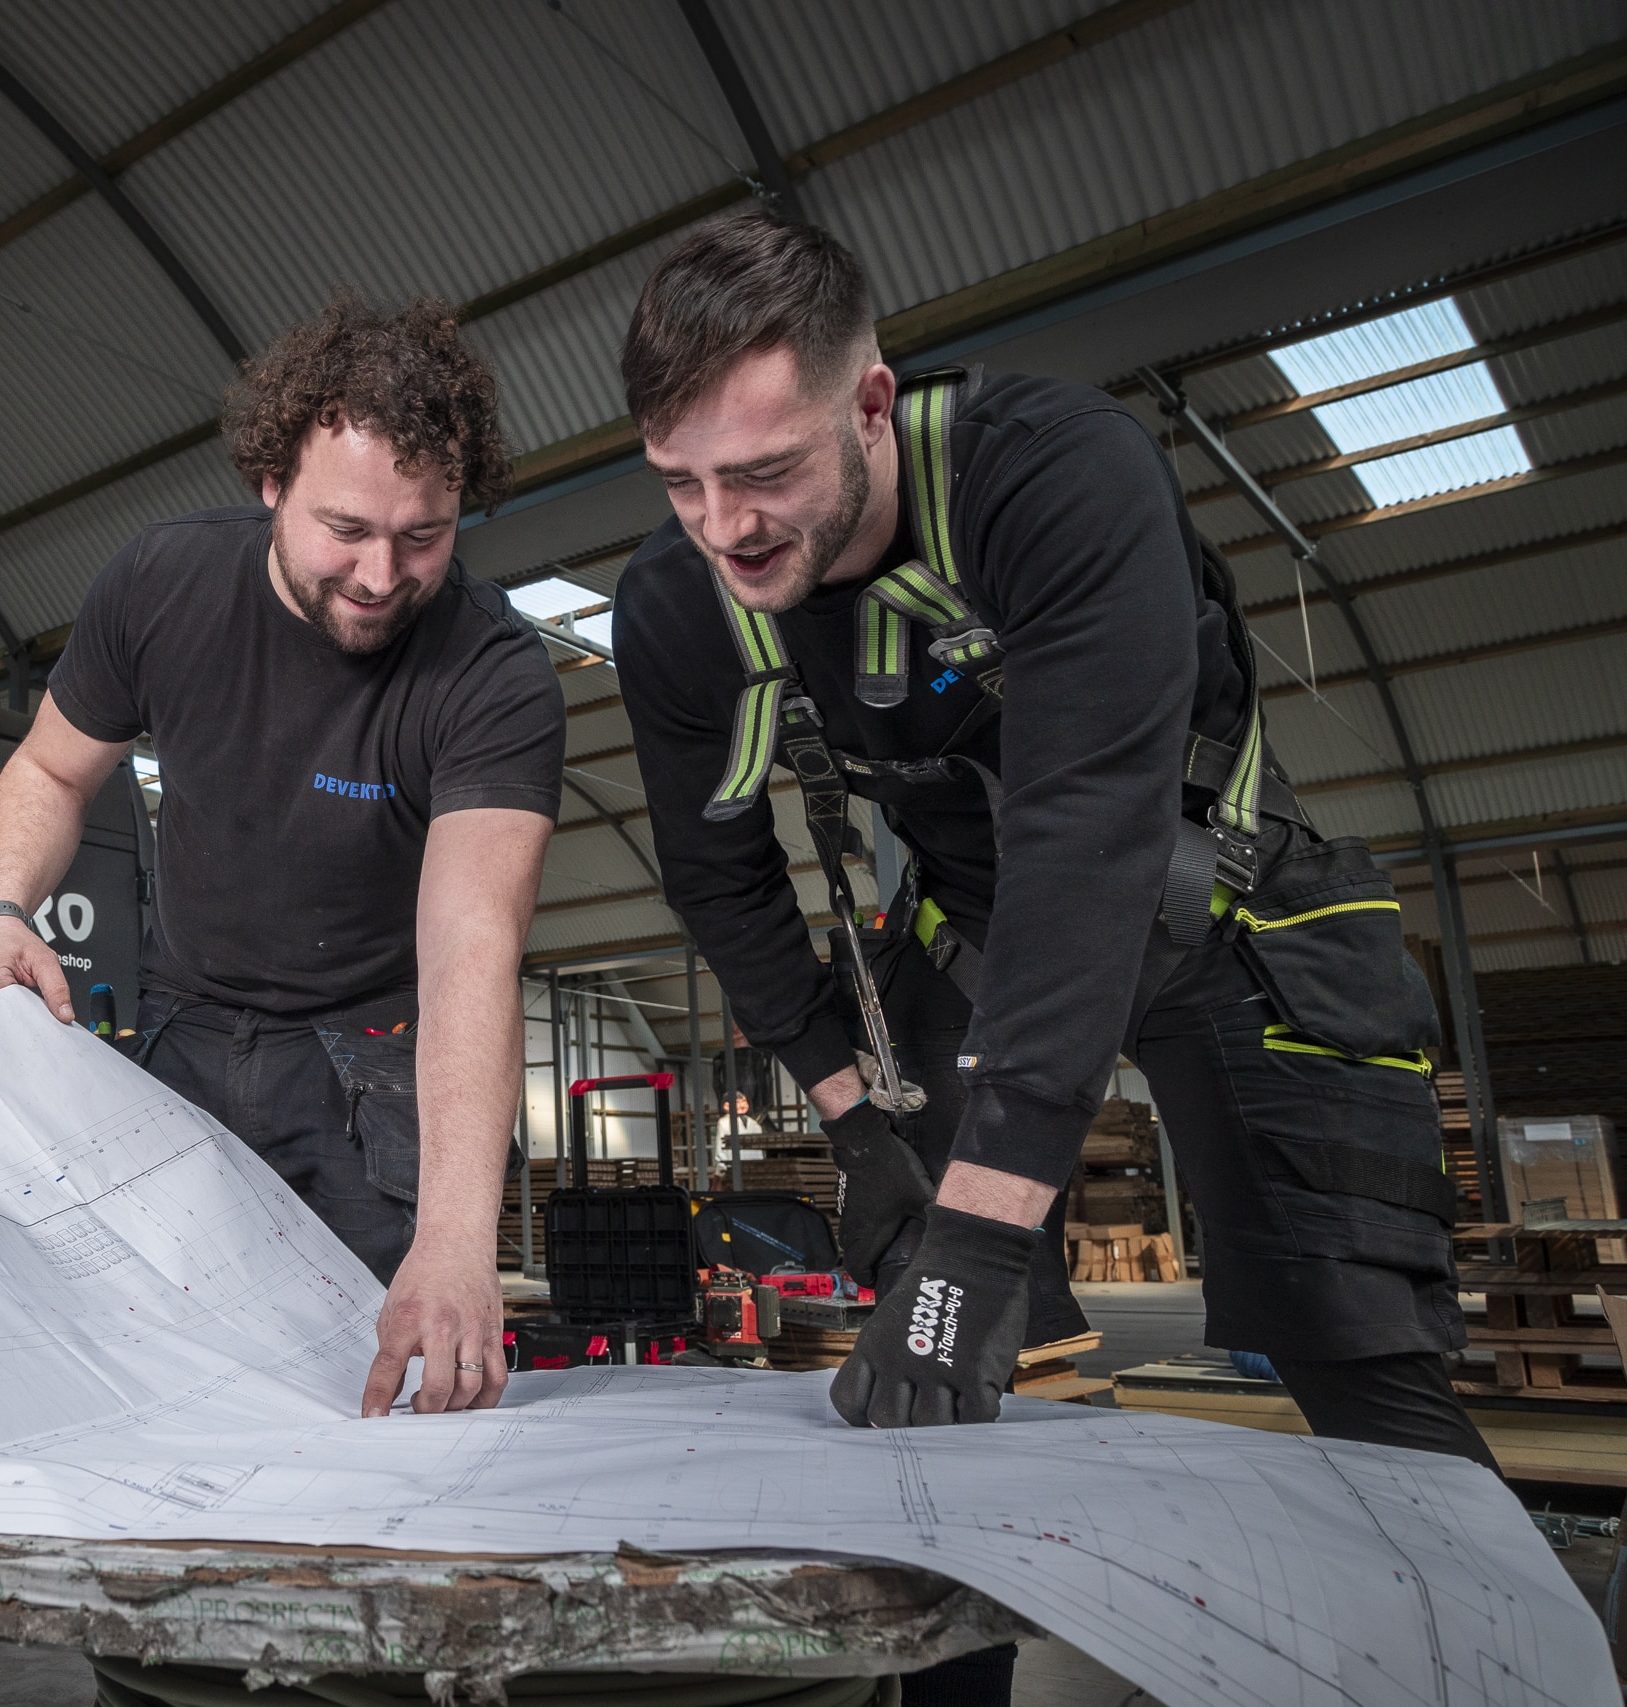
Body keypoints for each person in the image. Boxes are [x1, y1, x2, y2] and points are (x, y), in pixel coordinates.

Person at [610, 214, 1488, 1463]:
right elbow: (718, 880)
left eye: (762, 471)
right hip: (963, 939)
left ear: (869, 402)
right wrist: (861, 1131)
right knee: (936, 1366)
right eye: (680, 482)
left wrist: (983, 1236)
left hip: (1214, 905)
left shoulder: (1058, 476)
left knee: (1346, 1340)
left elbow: (1084, 841)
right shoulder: (676, 605)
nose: (724, 527)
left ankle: (1502, 1642)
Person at [0, 293, 565, 1420]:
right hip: (185, 1032)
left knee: (368, 1391)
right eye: (347, 530)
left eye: (422, 537)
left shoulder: (494, 678)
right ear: (271, 482)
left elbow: (471, 953)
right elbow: (46, 773)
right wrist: (0, 910)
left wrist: (453, 1238)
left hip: (369, 1059)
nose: (382, 576)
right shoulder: (162, 586)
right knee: (152, 1379)